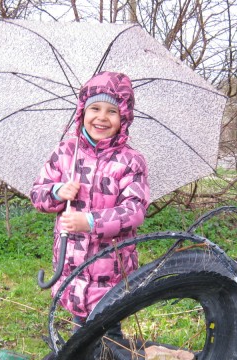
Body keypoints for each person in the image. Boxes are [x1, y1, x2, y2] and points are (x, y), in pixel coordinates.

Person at [30, 71, 150, 332]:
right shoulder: (66, 152)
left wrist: (91, 221)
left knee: (108, 331)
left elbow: (134, 210)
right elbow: (37, 194)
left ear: (124, 118)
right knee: (79, 331)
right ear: (82, 111)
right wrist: (57, 192)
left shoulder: (130, 161)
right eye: (95, 108)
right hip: (72, 264)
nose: (102, 117)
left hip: (113, 269)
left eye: (112, 111)